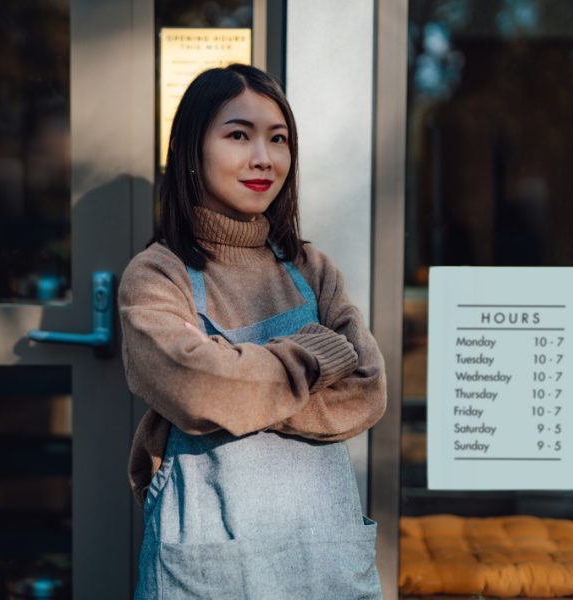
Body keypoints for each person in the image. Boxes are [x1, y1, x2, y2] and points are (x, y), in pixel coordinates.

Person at [119, 63, 387, 599]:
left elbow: (366, 391)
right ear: (193, 148)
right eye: (238, 135)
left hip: (325, 561)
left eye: (278, 139)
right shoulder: (157, 275)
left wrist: (239, 385)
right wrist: (316, 357)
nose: (263, 158)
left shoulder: (311, 267)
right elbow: (196, 388)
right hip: (209, 571)